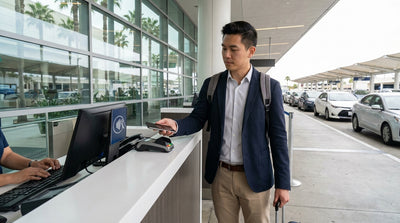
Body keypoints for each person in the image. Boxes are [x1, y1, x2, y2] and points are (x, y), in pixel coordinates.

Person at [156, 21, 290, 223]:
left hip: (255, 177)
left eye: (233, 49)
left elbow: (278, 137)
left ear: (250, 51)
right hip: (221, 176)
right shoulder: (212, 84)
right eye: (224, 48)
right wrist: (176, 126)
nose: (226, 55)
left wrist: (283, 184)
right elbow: (197, 119)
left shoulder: (269, 87)